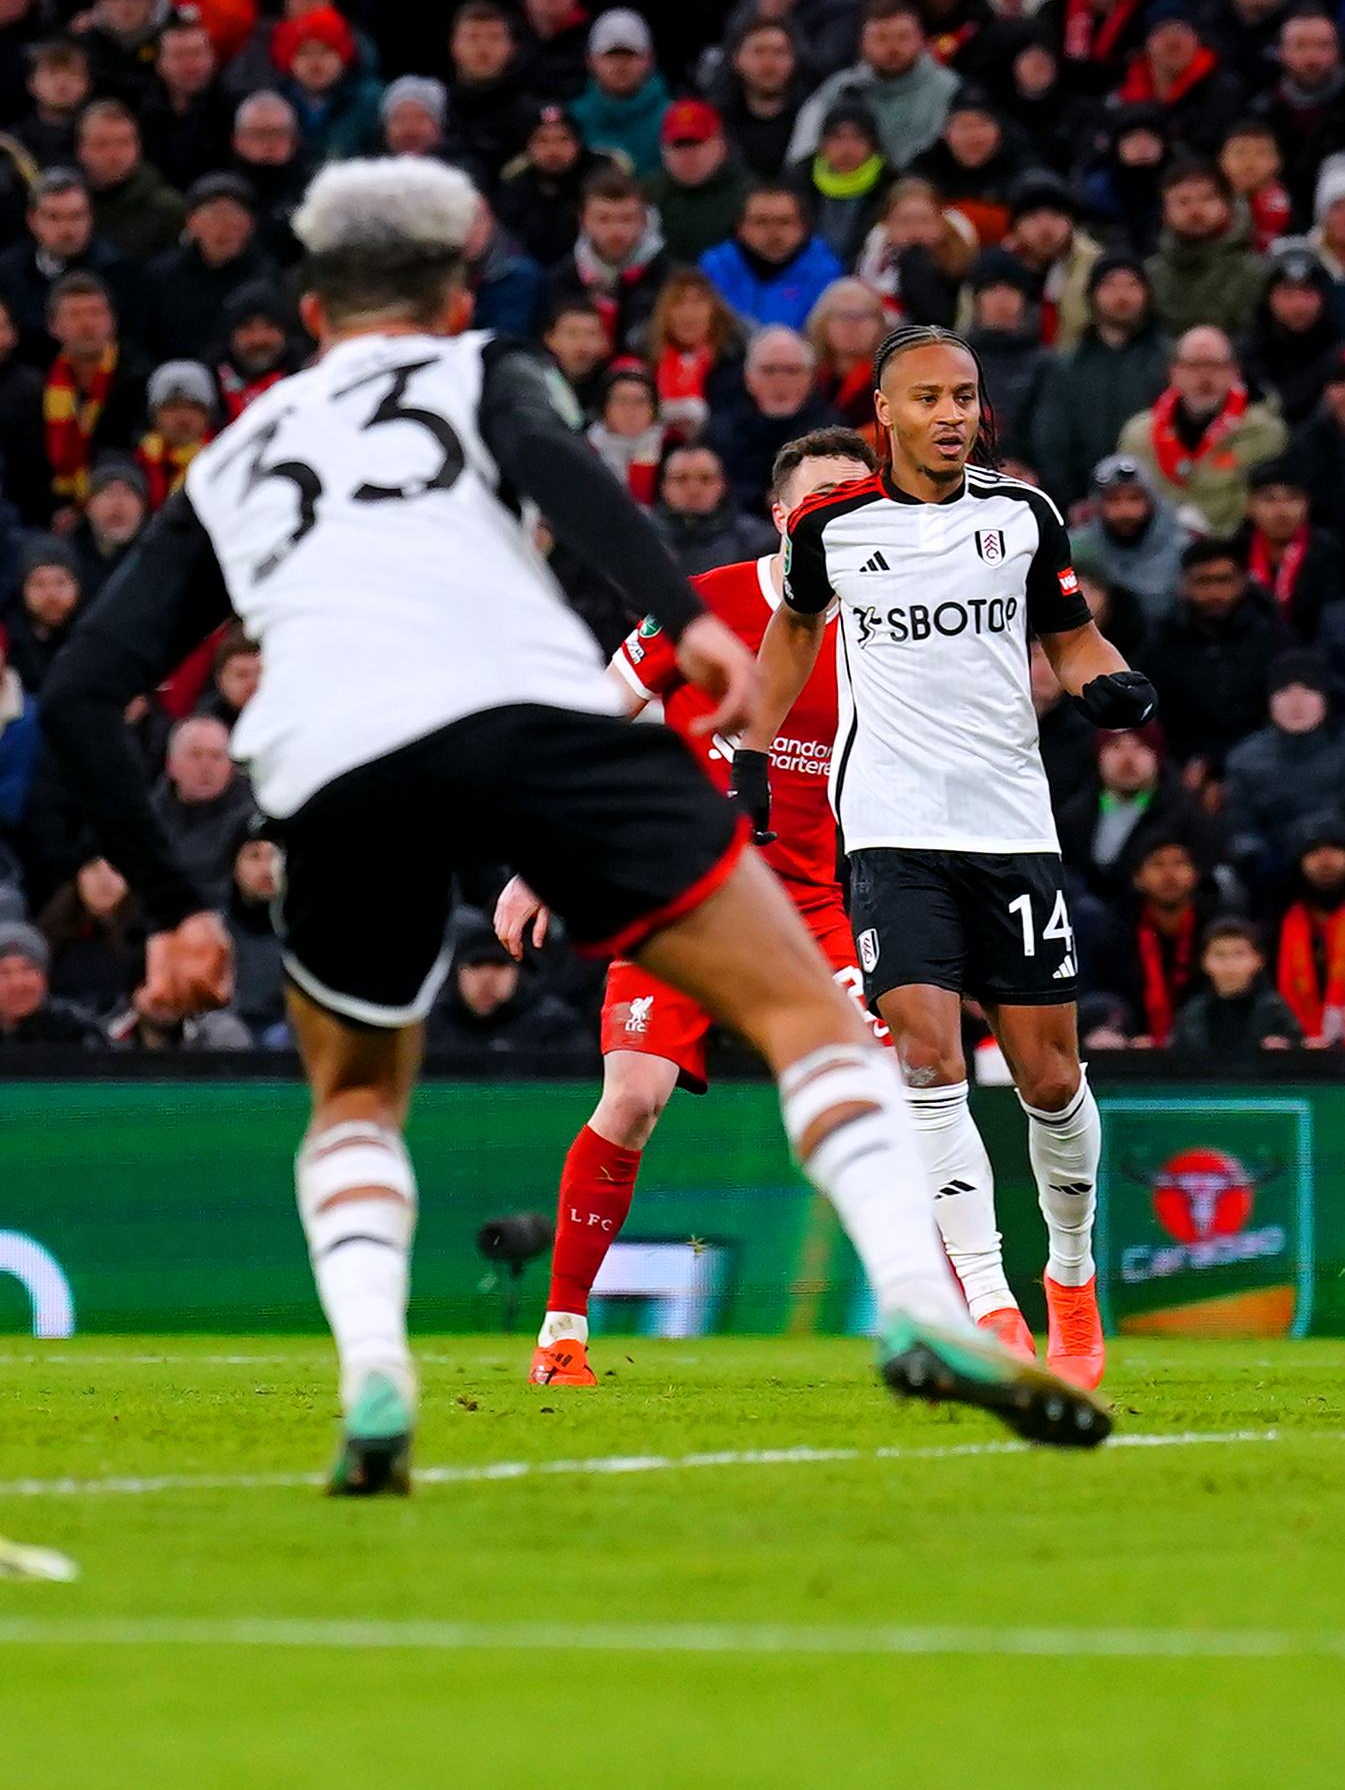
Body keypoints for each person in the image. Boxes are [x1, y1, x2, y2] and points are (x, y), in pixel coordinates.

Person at [38, 160, 1101, 1488]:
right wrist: (704, 624)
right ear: (454, 289)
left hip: (331, 758)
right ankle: (917, 1302)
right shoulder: (485, 370)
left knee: (356, 1094)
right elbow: (584, 495)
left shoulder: (239, 450)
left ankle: (375, 1374)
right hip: (523, 719)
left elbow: (83, 690)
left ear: (313, 314)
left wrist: (181, 904)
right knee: (814, 1019)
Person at [741, 324, 1161, 1392]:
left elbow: (1070, 639)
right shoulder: (832, 529)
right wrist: (749, 745)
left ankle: (1069, 1277)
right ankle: (989, 1302)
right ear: (882, 413)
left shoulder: (1022, 518)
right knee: (925, 1058)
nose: (951, 415)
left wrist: (1105, 680)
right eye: (927, 398)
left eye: (965, 397)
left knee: (1049, 1078)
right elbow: (792, 635)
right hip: (888, 831)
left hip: (1010, 828)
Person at [489, 427, 881, 1387]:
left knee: (902, 1090)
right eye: (832, 493)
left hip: (817, 905)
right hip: (684, 894)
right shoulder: (709, 603)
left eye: (864, 492)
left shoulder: (886, 621)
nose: (854, 508)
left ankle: (962, 1320)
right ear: (789, 513)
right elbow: (588, 719)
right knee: (631, 1097)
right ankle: (562, 1336)